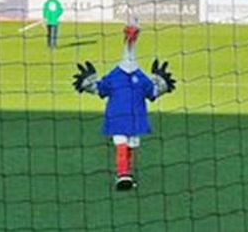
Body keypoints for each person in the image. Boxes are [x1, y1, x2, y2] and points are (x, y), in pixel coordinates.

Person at [72, 23, 177, 190]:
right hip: (124, 117)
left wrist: (162, 84)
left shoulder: (127, 76)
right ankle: (123, 173)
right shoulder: (127, 76)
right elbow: (100, 88)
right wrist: (87, 83)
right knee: (122, 143)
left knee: (129, 145)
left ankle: (125, 173)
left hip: (128, 116)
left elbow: (152, 92)